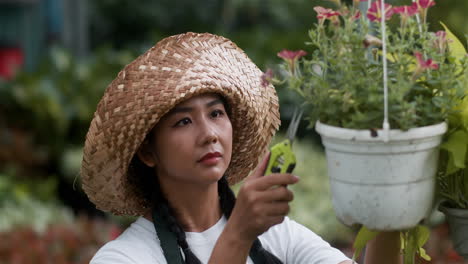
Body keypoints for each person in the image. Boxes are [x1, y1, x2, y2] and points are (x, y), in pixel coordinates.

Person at [81, 32, 401, 264]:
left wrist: (387, 208)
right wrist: (238, 233)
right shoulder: (124, 257)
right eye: (183, 122)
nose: (209, 134)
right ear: (147, 152)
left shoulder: (276, 236)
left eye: (216, 114)